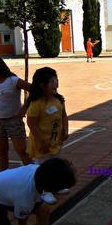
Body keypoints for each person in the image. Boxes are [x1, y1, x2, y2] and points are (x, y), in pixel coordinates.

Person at [26, 67, 69, 205]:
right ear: (42, 85)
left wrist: (65, 131)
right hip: (41, 143)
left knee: (55, 163)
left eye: (56, 80)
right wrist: (41, 141)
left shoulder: (58, 100)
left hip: (55, 141)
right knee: (43, 166)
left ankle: (55, 185)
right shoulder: (36, 104)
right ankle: (45, 190)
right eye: (52, 81)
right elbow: (31, 124)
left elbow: (64, 116)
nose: (56, 83)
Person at [0, 55, 31, 171]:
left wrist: (24, 108)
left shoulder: (13, 81)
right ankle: (3, 177)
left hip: (14, 120)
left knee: (22, 151)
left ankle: (34, 176)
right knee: (2, 151)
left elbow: (34, 90)